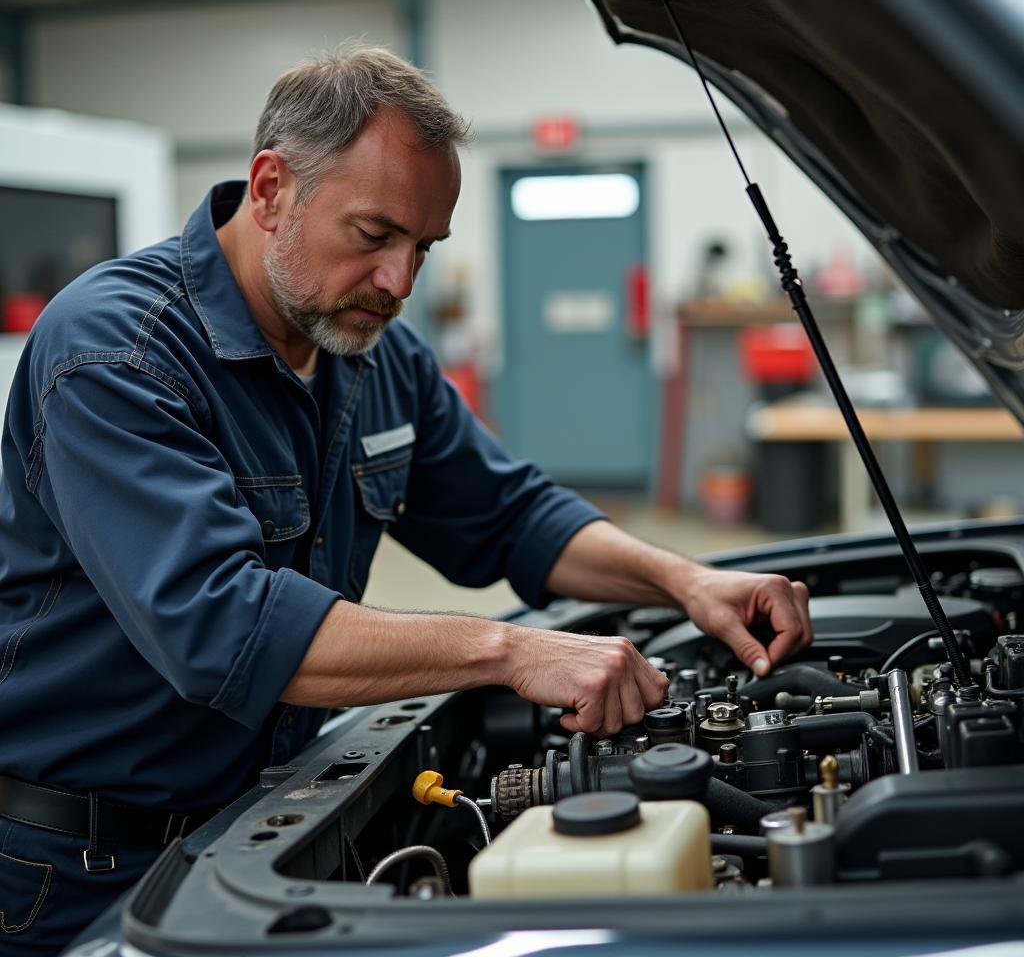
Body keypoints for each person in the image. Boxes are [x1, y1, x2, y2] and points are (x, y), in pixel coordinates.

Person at [0, 47, 812, 952]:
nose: (401, 284)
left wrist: (688, 581)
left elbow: (509, 516)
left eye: (423, 247)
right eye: (374, 234)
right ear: (271, 190)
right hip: (78, 871)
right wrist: (509, 651)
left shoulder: (370, 354)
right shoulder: (115, 351)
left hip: (262, 831)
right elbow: (223, 627)